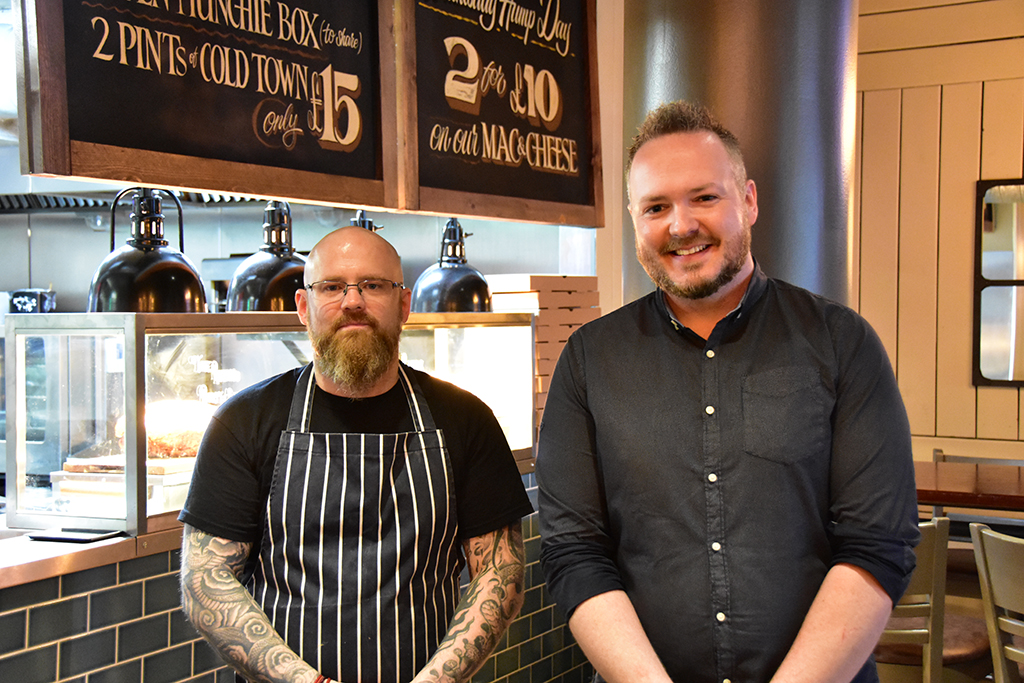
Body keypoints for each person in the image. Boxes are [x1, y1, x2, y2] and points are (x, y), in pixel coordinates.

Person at [536, 100, 920, 683]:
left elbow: (878, 544)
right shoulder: (589, 360)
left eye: (705, 197)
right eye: (656, 206)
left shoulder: (842, 343)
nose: (681, 225)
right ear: (636, 223)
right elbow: (574, 553)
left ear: (749, 201)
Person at [179, 225, 532, 683]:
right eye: (331, 287)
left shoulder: (465, 419)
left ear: (404, 305)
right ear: (304, 308)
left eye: (373, 285)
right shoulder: (244, 421)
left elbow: (498, 574)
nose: (352, 301)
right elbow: (207, 581)